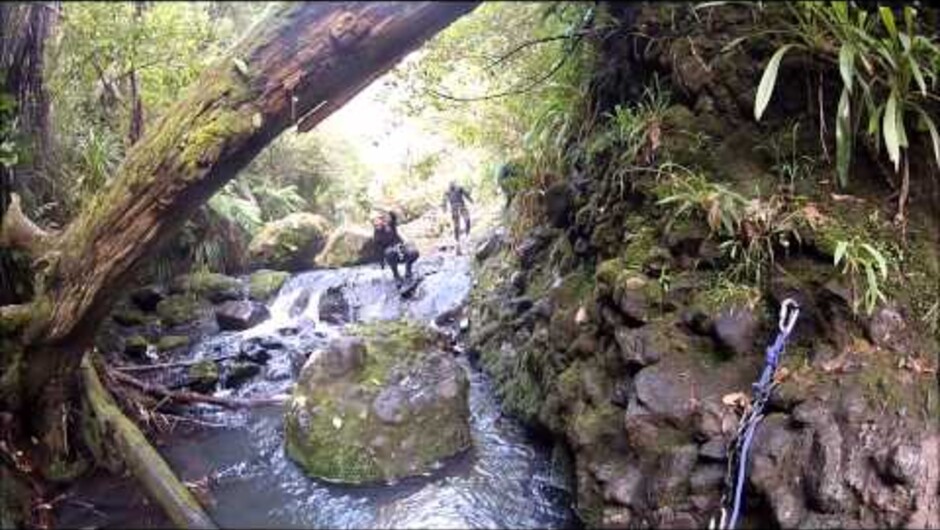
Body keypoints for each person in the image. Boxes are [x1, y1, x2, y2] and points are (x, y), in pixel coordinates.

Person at [371, 211, 418, 286]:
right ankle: (396, 276)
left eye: (380, 220)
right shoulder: (377, 234)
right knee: (389, 253)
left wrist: (387, 214)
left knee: (414, 252)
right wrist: (382, 263)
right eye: (375, 223)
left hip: (401, 249)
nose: (378, 223)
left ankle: (408, 271)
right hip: (391, 255)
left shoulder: (391, 225)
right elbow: (379, 250)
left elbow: (393, 217)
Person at [441, 181, 472, 253]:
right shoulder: (447, 192)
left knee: (467, 220)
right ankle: (457, 242)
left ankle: (467, 235)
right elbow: (444, 200)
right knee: (456, 225)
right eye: (450, 185)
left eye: (453, 184)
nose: (452, 186)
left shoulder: (459, 188)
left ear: (455, 185)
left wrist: (470, 200)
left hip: (462, 206)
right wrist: (444, 208)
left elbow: (466, 194)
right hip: (454, 208)